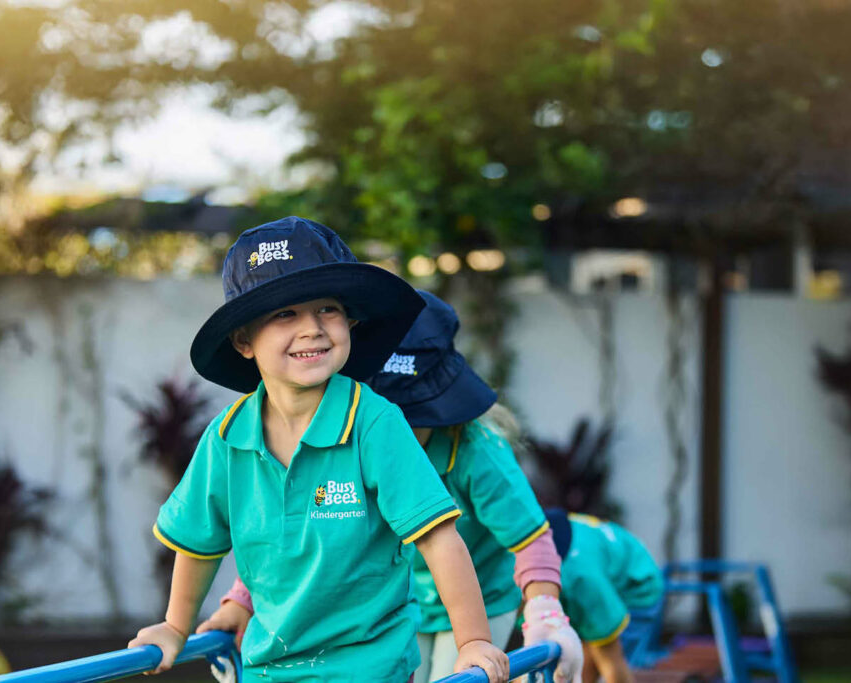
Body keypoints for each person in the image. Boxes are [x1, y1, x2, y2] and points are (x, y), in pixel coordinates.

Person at [128, 217, 509, 683]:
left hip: (371, 668)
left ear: (349, 320)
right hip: (271, 670)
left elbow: (438, 538)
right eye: (285, 313)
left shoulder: (373, 421)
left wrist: (472, 641)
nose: (312, 329)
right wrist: (174, 626)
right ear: (244, 340)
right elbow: (198, 544)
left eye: (327, 309)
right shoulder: (227, 439)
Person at [200, 290, 584, 683]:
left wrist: (545, 613)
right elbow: (294, 538)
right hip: (402, 599)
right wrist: (240, 602)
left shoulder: (475, 450)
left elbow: (531, 536)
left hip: (480, 598)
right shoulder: (348, 435)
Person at [545, 509, 665, 683]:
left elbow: (613, 666)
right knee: (577, 661)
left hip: (635, 586)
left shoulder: (582, 580)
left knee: (601, 660)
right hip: (591, 574)